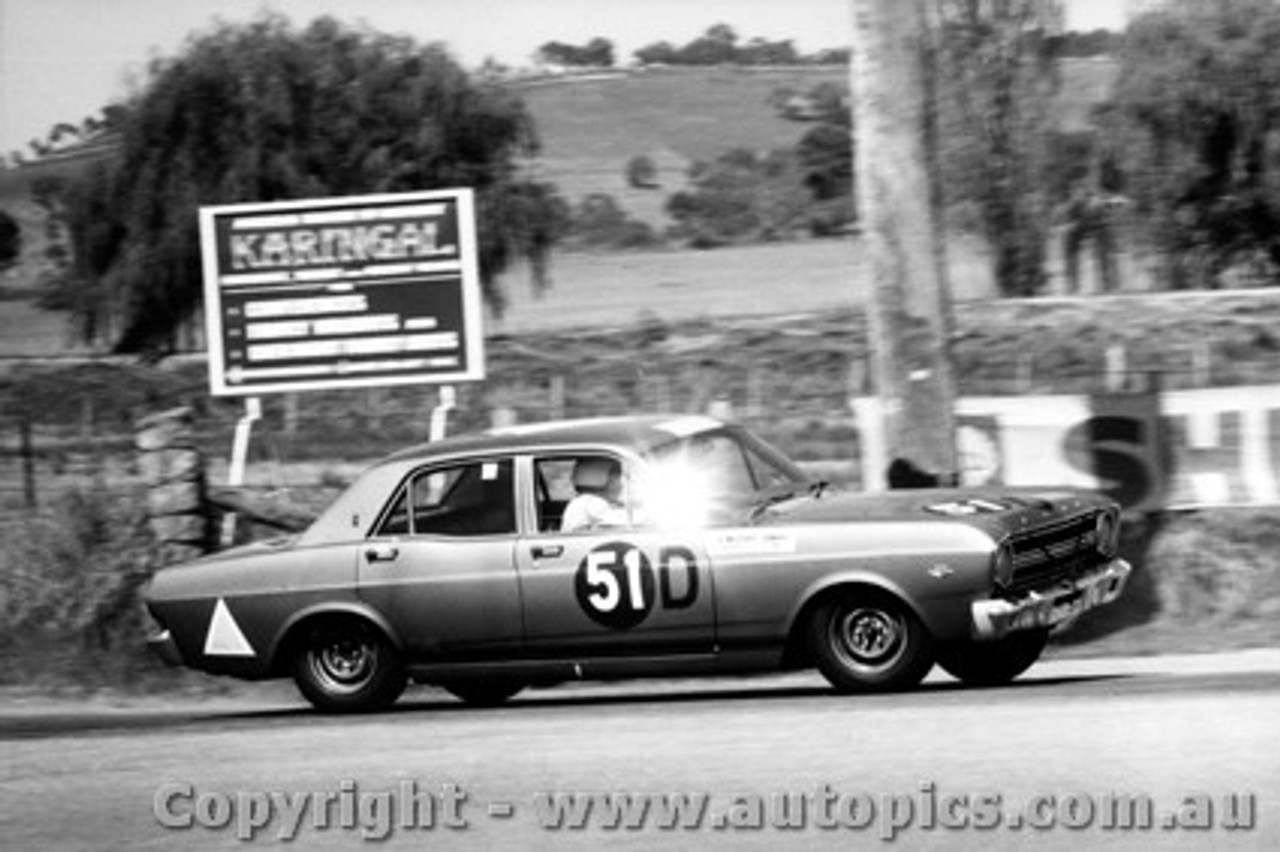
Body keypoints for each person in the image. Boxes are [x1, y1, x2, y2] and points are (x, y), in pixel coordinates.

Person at [561, 457, 630, 532]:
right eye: (618, 477)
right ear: (604, 479)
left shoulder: (583, 500)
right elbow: (627, 523)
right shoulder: (590, 502)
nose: (623, 484)